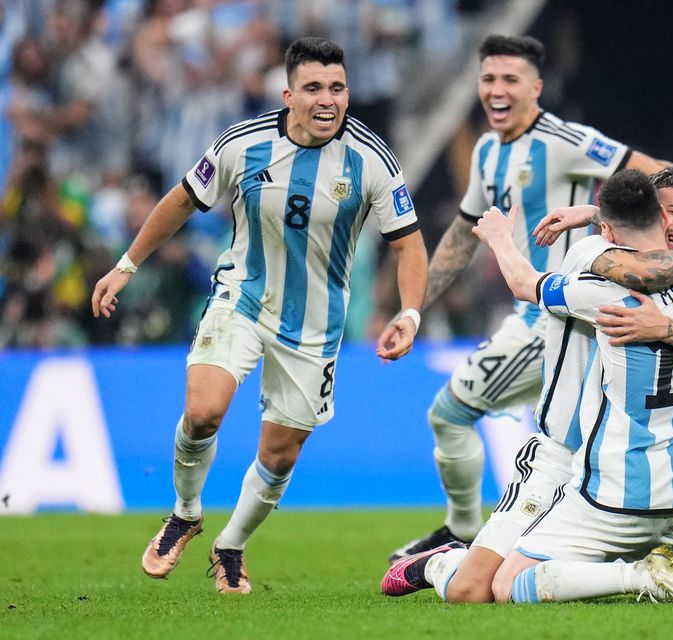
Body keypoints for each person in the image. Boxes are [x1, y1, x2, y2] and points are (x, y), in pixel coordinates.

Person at [392, 33, 673, 561]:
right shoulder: (484, 151)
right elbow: (461, 232)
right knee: (544, 427)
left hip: (567, 308)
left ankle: (483, 534)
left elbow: (655, 176)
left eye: (509, 80)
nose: (496, 90)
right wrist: (412, 308)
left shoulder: (566, 139)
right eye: (488, 79)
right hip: (551, 304)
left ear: (535, 88)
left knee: (485, 420)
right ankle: (576, 536)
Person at [90, 37, 427, 594]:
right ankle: (186, 513)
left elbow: (410, 245)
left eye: (338, 88)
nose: (328, 101)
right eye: (314, 88)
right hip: (243, 298)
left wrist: (410, 313)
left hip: (315, 325)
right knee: (202, 412)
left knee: (279, 451)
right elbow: (181, 199)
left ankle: (232, 545)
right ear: (288, 94)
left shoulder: (372, 159)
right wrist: (126, 264)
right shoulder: (241, 144)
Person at [383, 168, 673, 602]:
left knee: (519, 583)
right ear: (649, 215)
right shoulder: (594, 255)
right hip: (562, 457)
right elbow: (537, 282)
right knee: (472, 590)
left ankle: (638, 571)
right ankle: (442, 560)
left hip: (617, 472)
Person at [476, 170, 673, 604]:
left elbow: (526, 283)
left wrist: (499, 237)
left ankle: (639, 577)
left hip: (618, 492)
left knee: (508, 583)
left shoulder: (602, 287)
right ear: (654, 213)